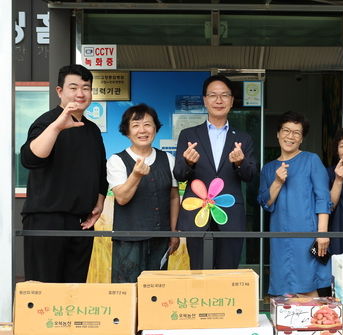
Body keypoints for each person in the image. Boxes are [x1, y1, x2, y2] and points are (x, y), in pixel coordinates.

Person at [20, 64, 107, 283]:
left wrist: (99, 203)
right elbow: (31, 158)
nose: (80, 93)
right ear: (60, 91)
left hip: (81, 223)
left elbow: (100, 173)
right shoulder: (47, 122)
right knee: (44, 288)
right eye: (74, 87)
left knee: (74, 290)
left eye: (86, 88)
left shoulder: (92, 129)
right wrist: (57, 127)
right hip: (46, 220)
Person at [173, 74, 257, 270]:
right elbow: (179, 174)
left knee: (227, 273)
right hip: (197, 214)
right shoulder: (189, 135)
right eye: (213, 95)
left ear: (232, 100)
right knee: (200, 272)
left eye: (224, 95)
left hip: (230, 214)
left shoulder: (243, 138)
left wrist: (240, 163)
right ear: (204, 100)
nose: (219, 100)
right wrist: (188, 162)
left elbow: (250, 176)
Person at [257, 111, 331, 297]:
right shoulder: (268, 168)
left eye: (296, 133)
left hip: (306, 235)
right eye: (286, 131)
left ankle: (310, 326)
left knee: (308, 286)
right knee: (282, 290)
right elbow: (265, 203)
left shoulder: (311, 160)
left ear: (301, 138)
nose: (290, 136)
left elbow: (323, 198)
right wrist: (277, 182)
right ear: (278, 134)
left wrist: (322, 234)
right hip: (279, 237)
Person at [107, 104, 180, 282]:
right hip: (129, 241)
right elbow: (122, 198)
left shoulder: (168, 159)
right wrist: (136, 175)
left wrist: (173, 232)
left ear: (155, 128)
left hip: (160, 238)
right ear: (126, 131)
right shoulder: (117, 160)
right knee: (127, 290)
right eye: (136, 125)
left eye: (148, 124)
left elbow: (173, 197)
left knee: (158, 290)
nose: (142, 130)